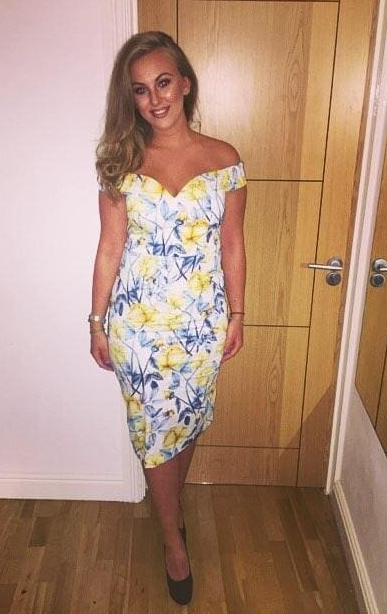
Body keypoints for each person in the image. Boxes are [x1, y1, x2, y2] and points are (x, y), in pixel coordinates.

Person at [90, 31, 247, 605]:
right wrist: (96, 322)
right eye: (140, 90)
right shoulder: (121, 163)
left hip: (202, 325)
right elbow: (110, 248)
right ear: (129, 98)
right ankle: (172, 541)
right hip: (139, 327)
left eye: (162, 83)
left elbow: (233, 244)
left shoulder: (225, 160)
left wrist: (237, 314)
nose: (154, 99)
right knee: (156, 431)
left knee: (187, 420)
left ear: (184, 83)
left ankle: (169, 507)